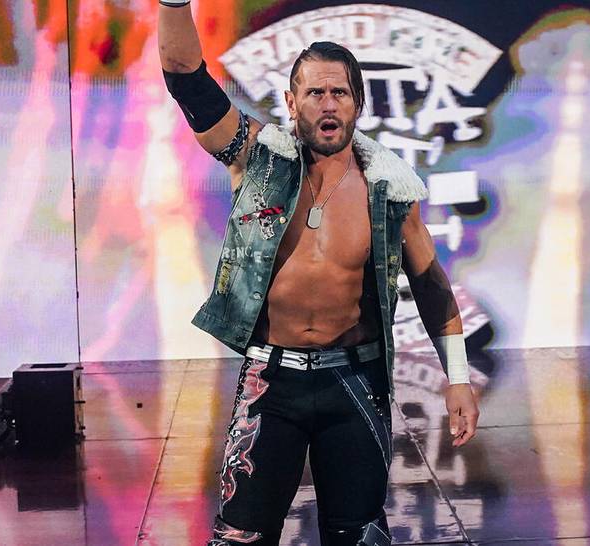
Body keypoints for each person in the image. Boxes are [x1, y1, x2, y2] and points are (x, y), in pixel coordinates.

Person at [157, 2, 480, 545]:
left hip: (353, 381)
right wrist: (173, 4)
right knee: (240, 536)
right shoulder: (256, 159)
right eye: (314, 93)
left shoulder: (390, 190)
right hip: (270, 381)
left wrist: (460, 378)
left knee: (359, 535)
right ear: (291, 102)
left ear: (358, 103)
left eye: (340, 93)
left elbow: (432, 288)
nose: (328, 104)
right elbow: (187, 78)